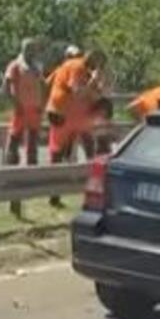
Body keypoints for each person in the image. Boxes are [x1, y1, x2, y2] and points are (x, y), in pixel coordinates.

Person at [45, 49, 112, 205]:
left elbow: (95, 95)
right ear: (94, 60)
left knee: (90, 151)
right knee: (57, 154)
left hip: (78, 115)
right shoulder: (77, 67)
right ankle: (54, 195)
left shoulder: (85, 71)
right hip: (63, 113)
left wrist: (100, 87)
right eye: (100, 64)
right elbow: (78, 93)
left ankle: (92, 194)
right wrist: (93, 81)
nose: (99, 68)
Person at [2, 38, 45, 165]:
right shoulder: (15, 65)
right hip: (21, 107)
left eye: (33, 49)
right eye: (28, 49)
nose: (31, 52)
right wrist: (15, 103)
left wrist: (42, 104)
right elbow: (6, 85)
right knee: (15, 136)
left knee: (33, 138)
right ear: (23, 49)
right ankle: (10, 163)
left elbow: (42, 85)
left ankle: (32, 165)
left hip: (35, 107)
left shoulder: (37, 67)